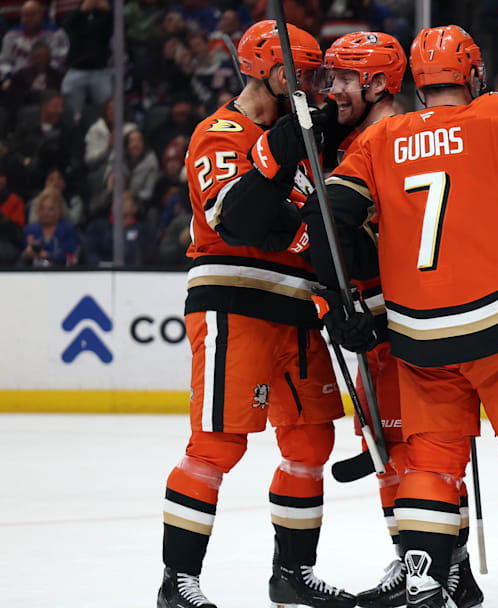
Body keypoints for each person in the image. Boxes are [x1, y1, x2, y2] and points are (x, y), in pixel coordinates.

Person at [302, 24, 498, 608]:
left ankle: (426, 584)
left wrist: (346, 303)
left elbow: (328, 222)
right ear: (473, 74)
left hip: (420, 335)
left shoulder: (380, 141)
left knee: (429, 462)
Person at [156, 20, 359, 608]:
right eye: (304, 71)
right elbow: (239, 223)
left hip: (296, 310)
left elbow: (302, 232)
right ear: (270, 69)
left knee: (310, 440)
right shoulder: (220, 133)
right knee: (216, 445)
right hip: (234, 301)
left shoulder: (306, 137)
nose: (314, 84)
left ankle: (292, 574)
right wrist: (277, 155)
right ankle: (178, 582)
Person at [318, 30, 483, 608]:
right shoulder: (364, 141)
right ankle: (436, 567)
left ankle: (438, 569)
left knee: (415, 454)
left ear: (381, 83)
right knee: (397, 452)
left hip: (405, 321)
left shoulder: (393, 142)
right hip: (385, 319)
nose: (331, 90)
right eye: (331, 76)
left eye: (343, 78)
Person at [20, 185, 78, 266]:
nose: (45, 213)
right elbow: (17, 260)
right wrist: (26, 255)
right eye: (42, 208)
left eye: (50, 209)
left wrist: (48, 255)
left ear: (59, 210)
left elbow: (72, 259)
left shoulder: (68, 231)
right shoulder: (28, 231)